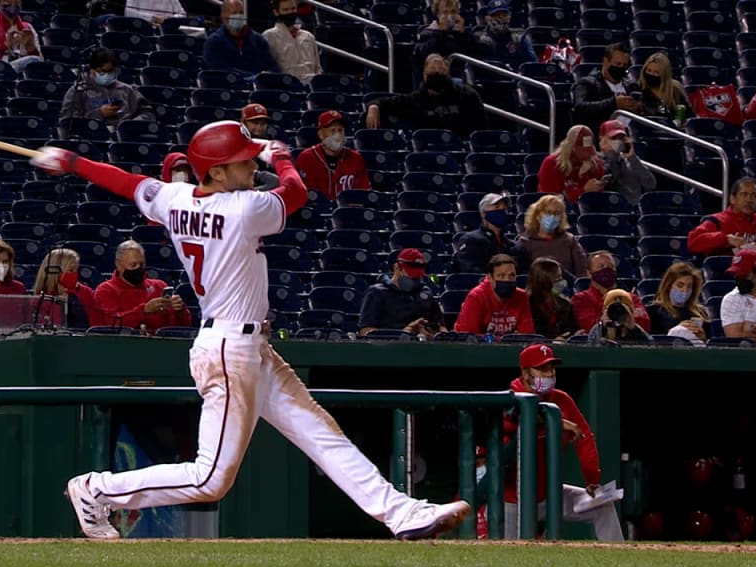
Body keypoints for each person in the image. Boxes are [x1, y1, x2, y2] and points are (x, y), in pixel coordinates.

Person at [29, 121, 470, 540]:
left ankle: (401, 513)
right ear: (216, 171)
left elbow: (125, 182)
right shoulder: (242, 208)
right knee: (210, 477)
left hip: (249, 345)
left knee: (322, 433)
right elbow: (295, 193)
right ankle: (96, 489)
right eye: (241, 161)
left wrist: (72, 162)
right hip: (227, 350)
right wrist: (279, 157)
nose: (251, 165)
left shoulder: (174, 198)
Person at [504, 344, 624, 541]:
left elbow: (585, 439)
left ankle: (621, 564)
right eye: (542, 369)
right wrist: (557, 422)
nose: (549, 373)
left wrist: (591, 479)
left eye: (551, 368)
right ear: (525, 373)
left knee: (602, 506)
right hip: (512, 501)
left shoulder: (562, 400)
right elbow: (516, 417)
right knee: (512, 557)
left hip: (550, 495)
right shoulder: (510, 396)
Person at [365, 54, 487, 139]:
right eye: (433, 70)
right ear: (424, 75)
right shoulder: (415, 99)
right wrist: (373, 107)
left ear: (448, 74)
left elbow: (480, 128)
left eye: (441, 70)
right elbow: (384, 101)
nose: (437, 73)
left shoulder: (467, 95)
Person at [94, 240, 191, 332]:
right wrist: (143, 311)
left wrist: (180, 310)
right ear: (118, 264)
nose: (138, 268)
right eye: (133, 265)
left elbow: (182, 326)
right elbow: (111, 325)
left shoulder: (159, 286)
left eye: (141, 264)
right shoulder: (105, 290)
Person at [59, 48, 155, 133]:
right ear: (92, 70)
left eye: (111, 71)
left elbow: (147, 114)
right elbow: (68, 122)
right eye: (103, 71)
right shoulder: (78, 91)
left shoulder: (128, 90)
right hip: (92, 136)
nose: (108, 75)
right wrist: (99, 113)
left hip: (125, 136)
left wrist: (128, 126)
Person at [358, 248, 445, 338]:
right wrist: (404, 333)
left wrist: (432, 335)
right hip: (388, 348)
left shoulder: (425, 292)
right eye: (410, 274)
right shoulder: (377, 292)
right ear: (396, 268)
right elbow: (366, 331)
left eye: (417, 276)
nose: (414, 279)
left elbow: (440, 327)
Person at [687, 177, 756, 261]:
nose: (749, 200)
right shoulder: (717, 221)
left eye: (754, 195)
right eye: (744, 194)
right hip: (727, 274)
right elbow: (693, 242)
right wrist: (726, 239)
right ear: (732, 199)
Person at [453, 253, 535, 339]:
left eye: (512, 275)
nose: (507, 280)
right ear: (490, 278)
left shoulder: (521, 296)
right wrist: (506, 339)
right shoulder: (476, 297)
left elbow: (527, 336)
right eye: (501, 276)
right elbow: (470, 337)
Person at [296, 110, 370, 201]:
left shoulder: (355, 158)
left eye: (340, 130)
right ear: (321, 134)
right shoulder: (306, 158)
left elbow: (363, 194)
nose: (337, 135)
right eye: (333, 130)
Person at [571, 43, 642, 135]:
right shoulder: (588, 83)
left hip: (631, 134)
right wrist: (613, 103)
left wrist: (639, 107)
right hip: (602, 135)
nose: (621, 68)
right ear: (605, 61)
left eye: (624, 65)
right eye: (618, 64)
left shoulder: (631, 86)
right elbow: (580, 108)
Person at [570, 251, 650, 332]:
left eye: (611, 267)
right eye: (601, 267)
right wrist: (602, 323)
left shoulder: (631, 297)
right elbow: (588, 326)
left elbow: (644, 325)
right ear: (589, 273)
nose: (607, 270)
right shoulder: (581, 299)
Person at [515, 194, 587, 278]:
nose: (552, 216)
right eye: (548, 212)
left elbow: (581, 272)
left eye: (556, 213)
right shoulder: (525, 242)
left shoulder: (570, 240)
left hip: (566, 287)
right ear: (538, 215)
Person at [32, 248, 105, 330]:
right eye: (70, 270)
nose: (74, 273)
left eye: (76, 269)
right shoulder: (41, 299)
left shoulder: (85, 292)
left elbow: (97, 327)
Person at [202, 0, 279, 78]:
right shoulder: (213, 43)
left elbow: (274, 69)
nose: (239, 16)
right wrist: (253, 77)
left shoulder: (258, 40)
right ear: (223, 16)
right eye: (234, 13)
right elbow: (216, 75)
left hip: (257, 88)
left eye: (241, 13)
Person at [413, 0, 479, 84]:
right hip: (436, 77)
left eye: (453, 12)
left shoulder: (461, 33)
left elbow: (474, 53)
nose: (449, 16)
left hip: (461, 75)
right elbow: (426, 54)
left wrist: (462, 35)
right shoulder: (428, 33)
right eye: (445, 12)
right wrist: (441, 32)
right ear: (437, 14)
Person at [720, 250, 756, 342]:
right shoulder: (731, 299)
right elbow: (734, 337)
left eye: (744, 276)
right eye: (737, 276)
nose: (740, 280)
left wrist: (754, 327)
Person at [537, 124, 605, 204]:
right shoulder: (552, 164)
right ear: (572, 148)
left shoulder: (595, 164)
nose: (588, 155)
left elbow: (596, 202)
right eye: (584, 151)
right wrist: (584, 190)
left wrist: (585, 177)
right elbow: (551, 204)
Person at [453, 192, 515, 274]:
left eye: (504, 209)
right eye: (496, 207)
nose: (501, 211)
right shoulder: (470, 240)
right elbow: (470, 270)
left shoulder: (511, 245)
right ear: (483, 213)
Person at [597, 119, 655, 206]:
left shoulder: (631, 161)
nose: (618, 141)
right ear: (602, 139)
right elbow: (610, 181)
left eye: (621, 138)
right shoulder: (595, 161)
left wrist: (632, 158)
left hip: (632, 212)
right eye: (613, 138)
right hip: (608, 209)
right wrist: (610, 156)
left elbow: (650, 184)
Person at [645, 261, 707, 342]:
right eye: (680, 285)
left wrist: (703, 337)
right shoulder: (653, 311)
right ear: (668, 286)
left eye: (689, 287)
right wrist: (677, 332)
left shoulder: (700, 313)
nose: (684, 290)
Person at [261, 0, 321, 85]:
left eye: (293, 9)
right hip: (286, 87)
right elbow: (270, 69)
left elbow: (318, 68)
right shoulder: (269, 36)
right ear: (276, 12)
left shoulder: (308, 37)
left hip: (311, 86)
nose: (290, 12)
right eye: (286, 10)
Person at [0, 0, 43, 73]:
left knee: (34, 60)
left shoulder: (28, 27)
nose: (13, 5)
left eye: (17, 2)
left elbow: (40, 61)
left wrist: (30, 45)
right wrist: (4, 45)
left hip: (22, 71)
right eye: (9, 1)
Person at [473, 0, 535, 70]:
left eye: (504, 15)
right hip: (490, 78)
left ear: (509, 17)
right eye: (495, 15)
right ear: (487, 18)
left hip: (517, 77)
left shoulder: (519, 38)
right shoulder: (479, 38)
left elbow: (531, 64)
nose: (500, 19)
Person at [526, 257, 577, 339]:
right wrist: (554, 340)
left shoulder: (565, 304)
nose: (562, 282)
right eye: (557, 279)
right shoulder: (527, 304)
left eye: (561, 277)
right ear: (543, 280)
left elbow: (571, 328)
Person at [637, 52, 692, 125]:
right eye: (649, 70)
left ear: (664, 75)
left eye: (656, 72)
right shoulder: (638, 89)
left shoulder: (675, 89)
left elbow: (685, 112)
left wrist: (677, 122)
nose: (651, 75)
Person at [239, 104, 281, 191]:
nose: (259, 127)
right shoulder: (236, 144)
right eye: (255, 123)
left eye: (263, 124)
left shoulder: (270, 145)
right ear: (244, 123)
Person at [587, 288, 652, 344]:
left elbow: (650, 349)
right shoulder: (598, 329)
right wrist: (602, 328)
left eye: (622, 310)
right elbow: (591, 350)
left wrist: (634, 329)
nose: (617, 313)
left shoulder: (636, 329)